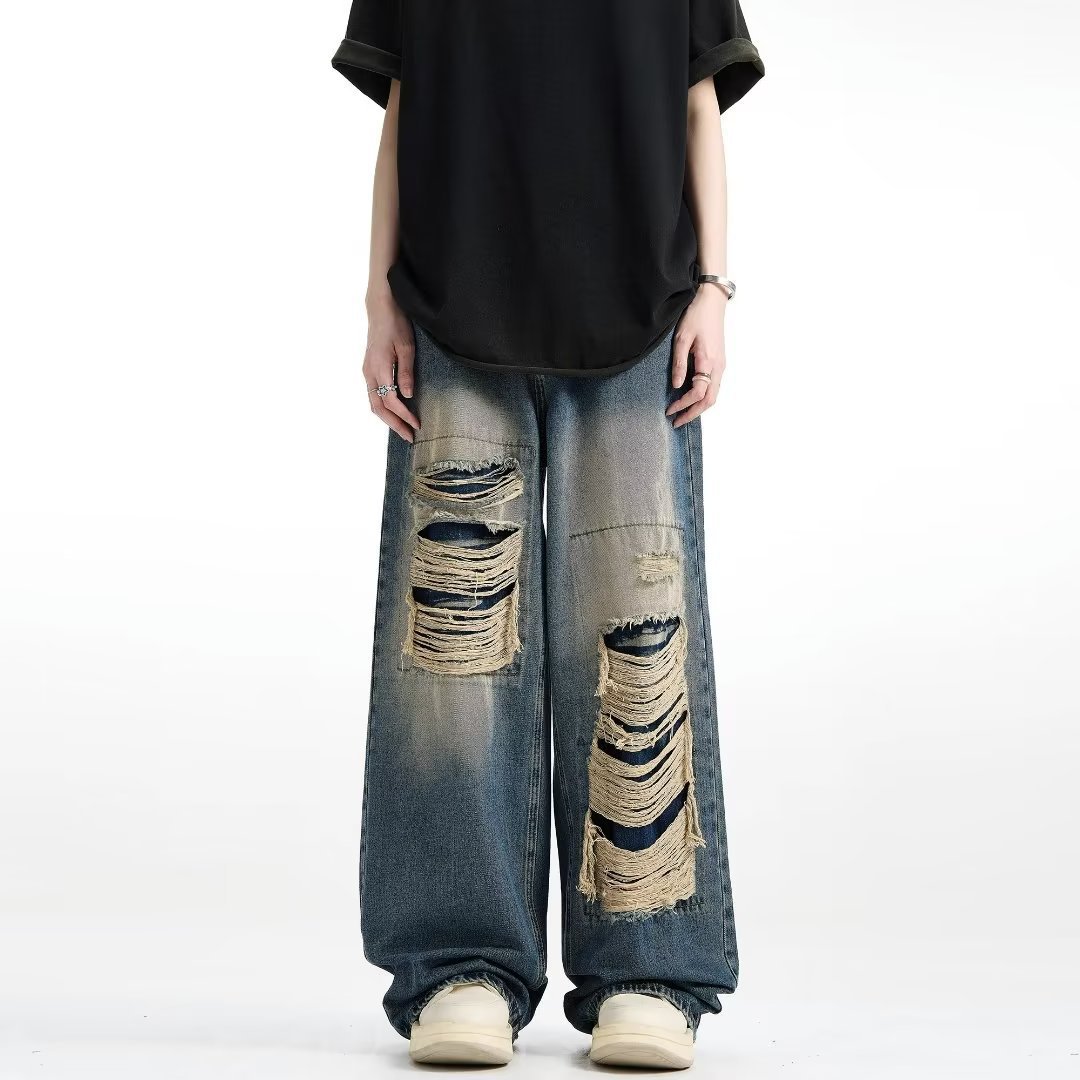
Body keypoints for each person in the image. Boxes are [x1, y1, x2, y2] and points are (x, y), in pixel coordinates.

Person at [331, 0, 763, 1068]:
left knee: (636, 636)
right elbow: (402, 112)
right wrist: (378, 299)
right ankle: (459, 963)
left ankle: (650, 969)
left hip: (641, 314)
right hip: (452, 307)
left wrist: (716, 288)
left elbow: (699, 102)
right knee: (453, 660)